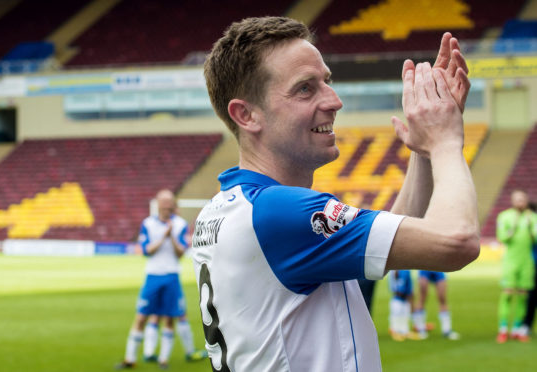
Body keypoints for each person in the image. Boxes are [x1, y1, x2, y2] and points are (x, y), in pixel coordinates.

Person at [192, 16, 478, 371]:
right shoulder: (279, 212)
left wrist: (423, 151)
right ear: (247, 115)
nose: (334, 100)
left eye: (327, 81)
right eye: (305, 89)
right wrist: (447, 141)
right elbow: (457, 241)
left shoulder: (232, 207)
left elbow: (399, 234)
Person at [116, 190, 207, 370]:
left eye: (168, 203)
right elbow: (146, 251)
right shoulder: (148, 224)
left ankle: (163, 360)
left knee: (170, 318)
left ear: (173, 204)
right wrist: (163, 237)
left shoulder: (180, 224)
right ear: (157, 204)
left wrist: (171, 236)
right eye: (163, 203)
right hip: (153, 275)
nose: (166, 207)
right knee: (141, 316)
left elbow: (181, 253)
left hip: (172, 275)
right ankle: (130, 358)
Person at [496, 190, 537, 343]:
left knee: (523, 296)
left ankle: (517, 329)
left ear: (526, 201)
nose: (520, 202)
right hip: (510, 261)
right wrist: (512, 229)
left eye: (522, 200)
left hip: (527, 261)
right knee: (506, 294)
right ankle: (503, 329)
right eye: (517, 199)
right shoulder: (505, 216)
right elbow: (501, 237)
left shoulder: (532, 218)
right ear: (512, 201)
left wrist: (531, 228)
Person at [412, 271, 460, 340]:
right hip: (424, 267)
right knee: (422, 297)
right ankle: (420, 329)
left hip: (438, 268)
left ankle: (447, 330)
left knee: (442, 297)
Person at [388, 270, 421, 341]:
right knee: (398, 310)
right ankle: (395, 330)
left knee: (405, 313)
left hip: (403, 299)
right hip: (398, 299)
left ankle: (404, 331)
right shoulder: (400, 271)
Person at [522, 202, 537, 334]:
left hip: (532, 264)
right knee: (532, 295)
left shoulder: (532, 223)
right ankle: (526, 324)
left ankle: (526, 325)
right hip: (532, 264)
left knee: (532, 296)